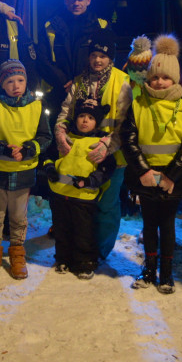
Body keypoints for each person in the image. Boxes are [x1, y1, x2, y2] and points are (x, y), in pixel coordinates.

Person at [120, 35, 182, 294]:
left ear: (174, 79)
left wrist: (172, 175)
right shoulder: (139, 103)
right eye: (154, 77)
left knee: (167, 224)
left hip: (172, 179)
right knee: (148, 224)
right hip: (145, 177)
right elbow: (129, 138)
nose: (159, 81)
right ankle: (149, 269)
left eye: (165, 77)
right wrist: (142, 171)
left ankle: (166, 272)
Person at [54, 28, 132, 260]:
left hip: (111, 158)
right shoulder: (79, 81)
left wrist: (110, 144)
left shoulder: (122, 81)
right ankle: (81, 248)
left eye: (103, 56)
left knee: (106, 206)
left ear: (111, 58)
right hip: (81, 157)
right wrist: (60, 131)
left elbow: (126, 121)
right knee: (81, 205)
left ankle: (100, 251)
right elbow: (66, 112)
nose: (98, 60)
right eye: (94, 55)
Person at [0, 59, 52, 281]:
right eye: (10, 81)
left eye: (20, 80)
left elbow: (45, 137)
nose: (16, 85)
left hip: (23, 171)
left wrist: (28, 149)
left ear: (26, 81)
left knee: (19, 217)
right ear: (2, 84)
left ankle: (18, 252)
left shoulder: (36, 107)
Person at [43, 99, 118, 280]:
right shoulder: (66, 139)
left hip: (84, 198)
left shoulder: (100, 143)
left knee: (84, 232)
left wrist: (91, 181)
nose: (85, 120)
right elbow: (49, 156)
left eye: (90, 117)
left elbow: (107, 169)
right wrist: (49, 168)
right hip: (60, 195)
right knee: (62, 230)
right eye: (82, 116)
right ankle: (63, 258)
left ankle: (85, 261)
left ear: (97, 122)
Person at [36, 0, 112, 112]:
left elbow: (106, 60)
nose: (76, 3)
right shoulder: (50, 26)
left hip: (91, 93)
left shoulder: (101, 26)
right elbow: (42, 60)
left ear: (88, 0)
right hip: (57, 92)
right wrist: (65, 82)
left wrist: (80, 83)